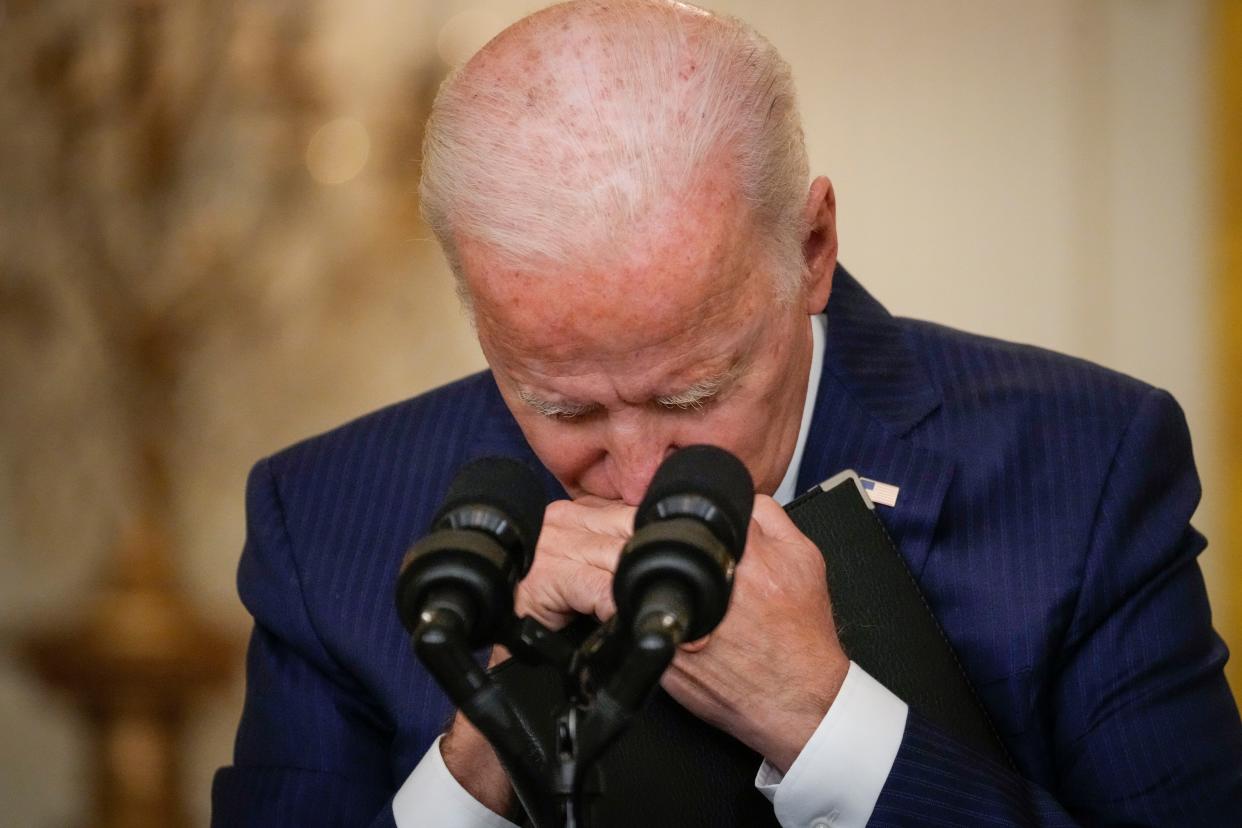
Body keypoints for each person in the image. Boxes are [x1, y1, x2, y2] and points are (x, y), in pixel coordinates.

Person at [212, 1, 1242, 826]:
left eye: (695, 392)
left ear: (812, 248)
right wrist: (481, 763)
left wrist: (826, 724)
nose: (639, 474)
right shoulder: (324, 516)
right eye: (560, 401)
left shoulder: (1085, 467)